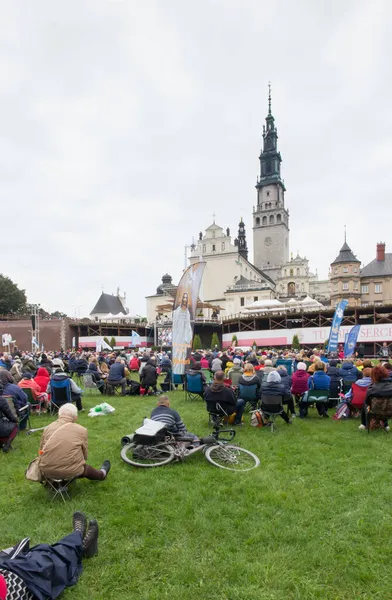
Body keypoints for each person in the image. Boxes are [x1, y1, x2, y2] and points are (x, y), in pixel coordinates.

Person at [0, 511, 99, 600]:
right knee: (44, 564)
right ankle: (79, 541)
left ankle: (78, 541)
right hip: (16, 585)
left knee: (35, 556)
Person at [38, 403, 111, 481]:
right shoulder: (81, 430)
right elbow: (84, 454)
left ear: (59, 415)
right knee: (83, 468)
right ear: (75, 418)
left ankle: (54, 482)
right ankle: (102, 474)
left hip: (45, 469)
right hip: (71, 470)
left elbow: (41, 450)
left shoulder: (48, 428)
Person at [359, 365, 392, 431]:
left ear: (373, 375)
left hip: (375, 412)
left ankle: (364, 424)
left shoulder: (371, 388)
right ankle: (386, 425)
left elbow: (367, 402)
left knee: (365, 404)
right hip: (390, 411)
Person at [172, 293, 193, 374]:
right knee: (177, 352)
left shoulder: (187, 311)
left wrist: (188, 335)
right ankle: (176, 370)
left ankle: (181, 371)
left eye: (186, 297)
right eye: (183, 297)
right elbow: (175, 322)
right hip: (178, 333)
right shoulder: (177, 311)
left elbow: (187, 324)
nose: (185, 299)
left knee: (183, 353)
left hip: (184, 333)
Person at [0, 383, 19, 453]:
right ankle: (7, 445)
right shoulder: (1, 400)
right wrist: (15, 420)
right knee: (15, 427)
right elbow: (9, 415)